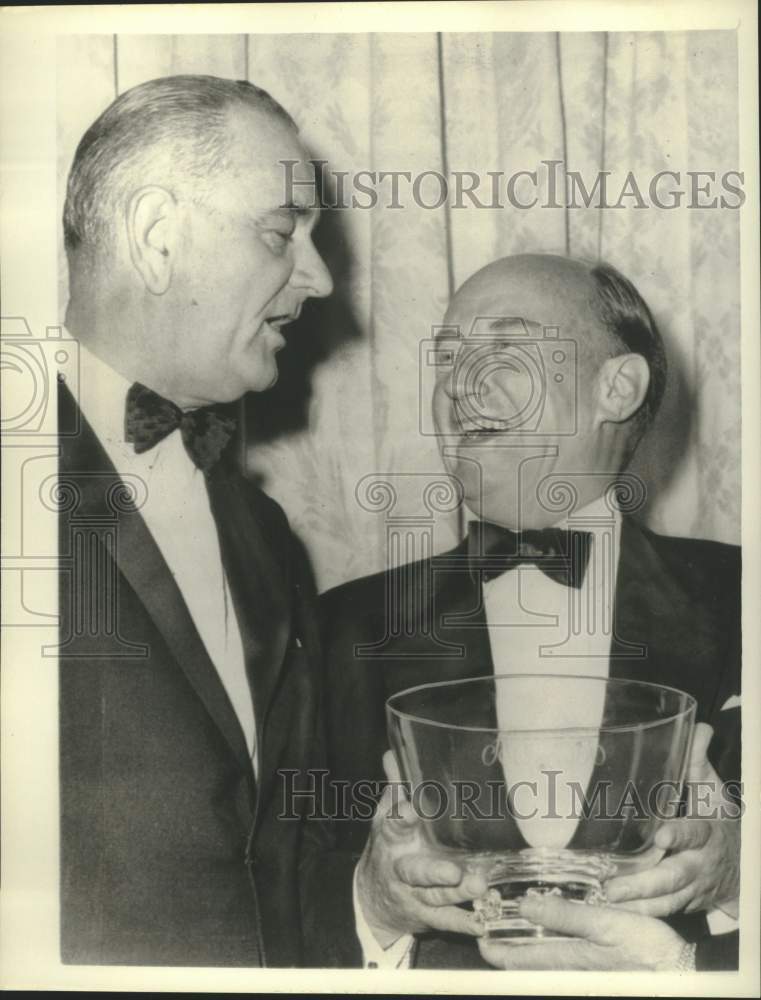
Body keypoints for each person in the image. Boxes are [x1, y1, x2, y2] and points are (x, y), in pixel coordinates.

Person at [57, 74, 484, 968]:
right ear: (155, 236)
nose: (321, 278)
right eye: (280, 231)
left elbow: (271, 867)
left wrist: (372, 898)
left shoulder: (261, 534)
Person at [321, 253, 741, 970]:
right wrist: (374, 905)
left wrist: (741, 876)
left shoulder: (744, 598)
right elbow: (262, 896)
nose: (456, 386)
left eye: (502, 349)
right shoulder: (340, 628)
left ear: (616, 387)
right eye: (447, 359)